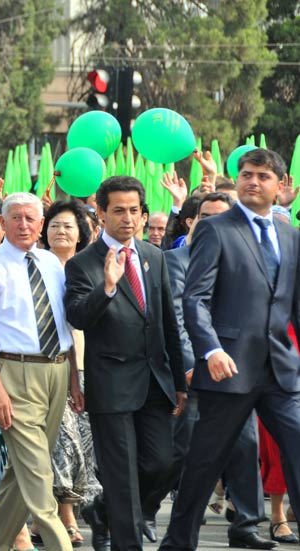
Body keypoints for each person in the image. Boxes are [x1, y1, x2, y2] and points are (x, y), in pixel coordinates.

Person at [159, 148, 300, 551]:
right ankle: (177, 543)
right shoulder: (215, 229)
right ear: (237, 180)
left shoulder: (291, 237)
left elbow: (294, 306)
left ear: (280, 186)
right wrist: (211, 350)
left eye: (262, 176)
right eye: (246, 174)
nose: (253, 182)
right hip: (228, 369)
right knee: (204, 464)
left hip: (280, 370)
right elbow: (195, 298)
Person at [64, 176, 187, 551]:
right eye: (118, 210)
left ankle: (102, 510)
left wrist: (179, 380)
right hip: (112, 385)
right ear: (100, 213)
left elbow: (168, 320)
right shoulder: (83, 264)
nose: (128, 218)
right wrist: (108, 287)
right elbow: (78, 316)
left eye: (135, 210)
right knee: (122, 478)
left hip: (155, 382)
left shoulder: (152, 256)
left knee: (163, 464)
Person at [156, 191, 273, 549]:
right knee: (183, 453)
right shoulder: (174, 261)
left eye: (223, 215)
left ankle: (247, 523)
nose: (216, 223)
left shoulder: (248, 257)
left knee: (245, 443)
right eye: (206, 215)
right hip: (195, 371)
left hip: (238, 371)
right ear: (192, 220)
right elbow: (177, 317)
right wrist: (192, 363)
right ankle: (143, 508)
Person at [0, 192, 80, 551]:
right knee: (38, 474)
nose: (23, 225)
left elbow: (64, 328)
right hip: (15, 374)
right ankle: (60, 543)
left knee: (21, 473)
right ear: (2, 223)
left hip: (57, 371)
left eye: (30, 219)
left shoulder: (51, 263)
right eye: (15, 218)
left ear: (41, 224)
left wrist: (75, 378)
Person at [38, 201, 99, 549]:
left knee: (83, 445)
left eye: (69, 226)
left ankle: (62, 510)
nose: (61, 231)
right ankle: (61, 516)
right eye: (55, 225)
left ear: (81, 233)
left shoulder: (89, 268)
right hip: (49, 364)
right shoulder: (37, 266)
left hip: (88, 363)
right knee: (61, 442)